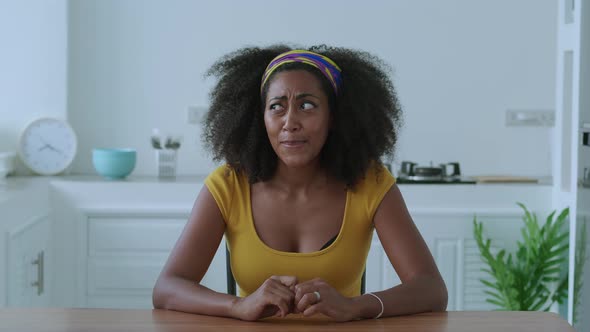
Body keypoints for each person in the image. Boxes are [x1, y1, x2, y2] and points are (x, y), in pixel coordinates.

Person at [152, 44, 447, 322]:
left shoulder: (370, 183)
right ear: (260, 118)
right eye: (277, 107)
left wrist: (356, 306)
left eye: (306, 105)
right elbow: (167, 288)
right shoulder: (228, 185)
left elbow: (432, 289)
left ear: (333, 117)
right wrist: (238, 305)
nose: (289, 121)